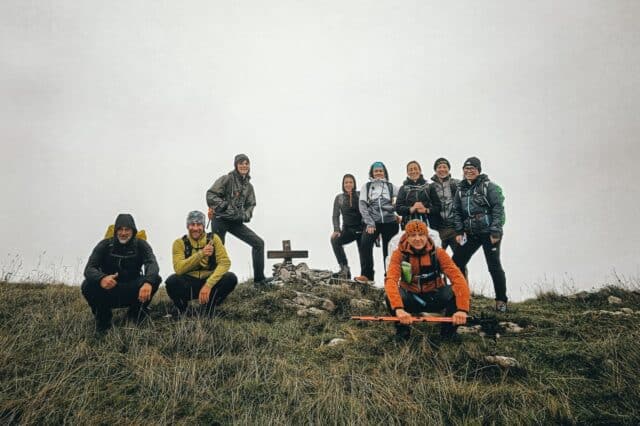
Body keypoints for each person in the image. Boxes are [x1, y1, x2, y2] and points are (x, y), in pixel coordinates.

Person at [384, 220, 469, 339]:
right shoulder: (398, 254)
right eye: (413, 235)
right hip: (411, 298)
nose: (417, 239)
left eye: (421, 235)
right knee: (389, 295)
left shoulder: (439, 253)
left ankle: (448, 333)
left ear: (427, 236)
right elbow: (391, 280)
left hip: (434, 297)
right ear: (407, 237)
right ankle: (402, 332)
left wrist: (462, 310)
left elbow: (458, 278)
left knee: (454, 290)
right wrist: (398, 309)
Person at [81, 213, 161, 332]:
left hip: (133, 289)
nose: (123, 233)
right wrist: (102, 278)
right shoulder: (104, 244)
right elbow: (89, 269)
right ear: (115, 230)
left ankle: (136, 313)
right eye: (120, 229)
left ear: (133, 231)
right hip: (109, 289)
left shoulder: (141, 244)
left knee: (156, 279)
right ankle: (103, 319)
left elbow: (152, 264)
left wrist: (148, 282)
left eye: (127, 229)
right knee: (87, 285)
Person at [451, 156, 508, 312]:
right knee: (456, 262)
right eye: (466, 169)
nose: (469, 171)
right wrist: (459, 231)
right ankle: (461, 296)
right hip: (470, 233)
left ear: (478, 170)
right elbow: (456, 211)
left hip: (489, 232)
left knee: (494, 265)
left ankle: (501, 301)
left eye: (472, 169)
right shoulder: (460, 189)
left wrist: (496, 231)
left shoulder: (488, 186)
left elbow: (498, 208)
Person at [206, 154, 272, 285]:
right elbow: (211, 195)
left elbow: (251, 204)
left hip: (236, 222)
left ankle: (259, 280)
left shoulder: (249, 187)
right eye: (241, 163)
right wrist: (225, 206)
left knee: (258, 243)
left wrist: (244, 215)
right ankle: (210, 283)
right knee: (216, 250)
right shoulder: (226, 179)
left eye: (247, 163)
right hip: (220, 219)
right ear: (236, 165)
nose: (244, 166)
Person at [165, 211, 238, 316]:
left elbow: (225, 262)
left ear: (203, 226)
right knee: (171, 281)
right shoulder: (179, 243)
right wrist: (201, 254)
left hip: (209, 281)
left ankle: (209, 305)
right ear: (187, 226)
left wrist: (208, 285)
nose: (195, 228)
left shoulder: (214, 239)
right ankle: (182, 309)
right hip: (189, 283)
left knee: (230, 278)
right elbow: (179, 269)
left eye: (199, 224)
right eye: (192, 224)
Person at [355, 161, 400, 284]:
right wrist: (369, 223)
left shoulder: (391, 186)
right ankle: (367, 276)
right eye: (376, 171)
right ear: (372, 173)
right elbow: (362, 206)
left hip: (390, 222)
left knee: (389, 250)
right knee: (365, 243)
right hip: (373, 222)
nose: (378, 173)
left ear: (384, 172)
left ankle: (390, 277)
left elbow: (402, 198)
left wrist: (396, 212)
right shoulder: (367, 186)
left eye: (380, 171)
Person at [330, 174, 364, 279]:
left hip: (361, 229)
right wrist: (336, 229)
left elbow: (369, 211)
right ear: (343, 184)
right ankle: (344, 269)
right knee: (335, 240)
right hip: (348, 230)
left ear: (354, 184)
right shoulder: (339, 198)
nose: (348, 184)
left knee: (364, 252)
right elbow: (335, 215)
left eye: (351, 182)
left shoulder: (360, 195)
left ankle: (365, 276)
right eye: (346, 182)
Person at [395, 160, 441, 230]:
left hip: (429, 225)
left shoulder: (429, 187)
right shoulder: (403, 188)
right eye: (410, 170)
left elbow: (438, 207)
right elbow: (398, 208)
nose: (413, 171)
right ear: (407, 172)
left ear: (420, 170)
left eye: (415, 169)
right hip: (408, 226)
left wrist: (426, 210)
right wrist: (411, 209)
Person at [429, 157, 460, 253]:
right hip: (439, 229)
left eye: (444, 167)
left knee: (460, 261)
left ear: (448, 169)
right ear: (435, 170)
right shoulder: (430, 187)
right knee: (436, 259)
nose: (442, 169)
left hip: (455, 229)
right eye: (439, 167)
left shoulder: (457, 184)